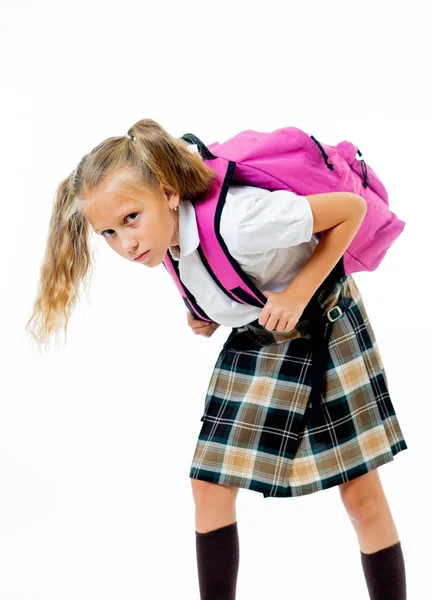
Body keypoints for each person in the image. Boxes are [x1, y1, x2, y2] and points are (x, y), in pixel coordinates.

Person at [26, 118, 408, 600]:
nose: (125, 244)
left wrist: (297, 293)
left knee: (360, 496)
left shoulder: (242, 220)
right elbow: (210, 269)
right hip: (260, 331)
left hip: (323, 326)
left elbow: (348, 211)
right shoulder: (162, 238)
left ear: (168, 194)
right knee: (208, 483)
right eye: (107, 232)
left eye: (130, 219)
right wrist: (206, 312)